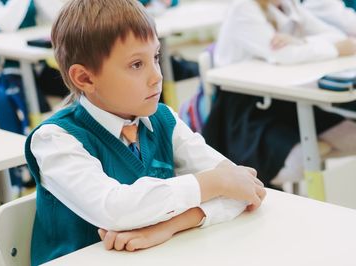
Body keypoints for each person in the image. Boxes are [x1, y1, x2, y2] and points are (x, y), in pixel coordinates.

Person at [25, 0, 266, 264]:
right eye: (136, 65)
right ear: (85, 78)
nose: (157, 77)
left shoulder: (163, 119)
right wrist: (213, 183)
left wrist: (169, 226)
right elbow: (114, 208)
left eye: (156, 58)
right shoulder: (55, 140)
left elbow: (244, 189)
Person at [203, 0, 356, 188]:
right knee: (300, 161)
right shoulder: (243, 8)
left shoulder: (287, 5)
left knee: (351, 139)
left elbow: (336, 35)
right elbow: (284, 54)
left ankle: (314, 148)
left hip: (285, 99)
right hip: (246, 110)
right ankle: (311, 150)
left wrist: (304, 41)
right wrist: (337, 48)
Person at [0, 0, 69, 112]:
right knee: (39, 107)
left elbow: (58, 18)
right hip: (4, 70)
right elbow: (8, 24)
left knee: (75, 89)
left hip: (36, 67)